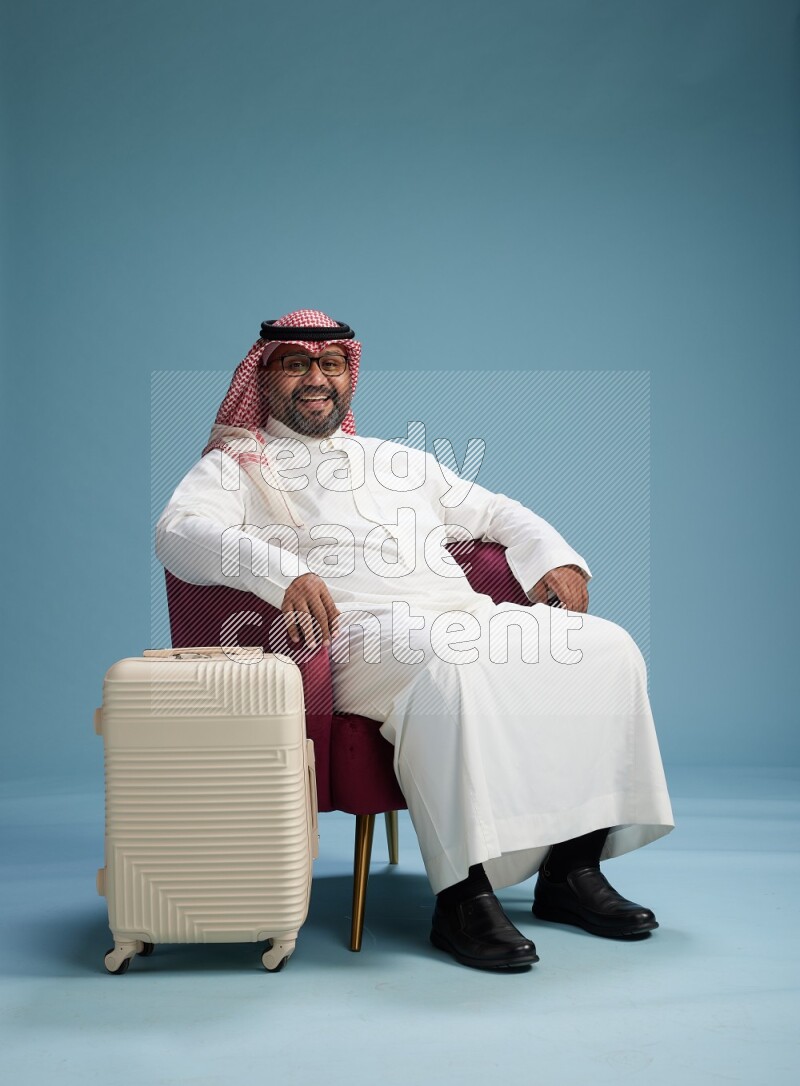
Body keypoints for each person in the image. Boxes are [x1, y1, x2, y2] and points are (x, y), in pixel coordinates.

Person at [155, 308, 674, 972]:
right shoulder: (237, 466)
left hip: (458, 613)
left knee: (606, 649)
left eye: (330, 364)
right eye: (296, 364)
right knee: (448, 666)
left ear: (349, 374)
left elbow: (496, 511)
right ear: (263, 377)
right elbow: (179, 531)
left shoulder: (397, 460)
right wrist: (282, 574)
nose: (316, 378)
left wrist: (555, 557)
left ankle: (572, 870)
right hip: (351, 633)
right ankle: (462, 897)